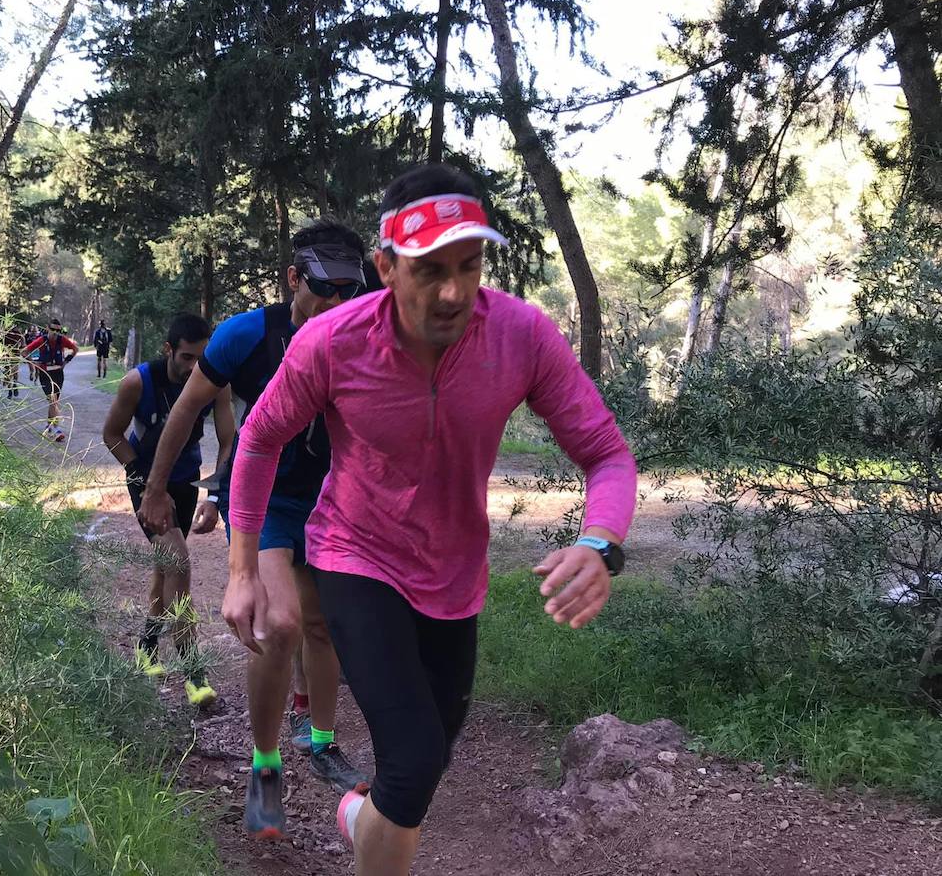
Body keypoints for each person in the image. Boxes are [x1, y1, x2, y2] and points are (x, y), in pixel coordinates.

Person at [224, 164, 637, 875]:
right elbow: (259, 438)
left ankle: (360, 811)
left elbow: (606, 454)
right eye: (429, 270)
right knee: (413, 761)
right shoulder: (331, 342)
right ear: (385, 267)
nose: (453, 292)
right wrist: (242, 570)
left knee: (426, 762)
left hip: (453, 575)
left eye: (469, 267)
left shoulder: (521, 335)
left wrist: (601, 541)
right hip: (355, 556)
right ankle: (346, 802)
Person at [138, 220, 372, 839]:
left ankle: (320, 740)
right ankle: (265, 766)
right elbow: (188, 406)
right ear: (293, 278)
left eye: (349, 292)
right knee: (283, 623)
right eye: (323, 290)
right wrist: (160, 487)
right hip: (263, 495)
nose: (335, 304)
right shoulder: (249, 334)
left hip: (330, 500)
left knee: (323, 625)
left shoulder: (360, 335)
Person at [102, 312, 235, 708]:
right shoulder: (137, 382)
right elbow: (112, 434)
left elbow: (228, 442)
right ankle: (193, 671)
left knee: (166, 567)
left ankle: (146, 647)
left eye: (202, 358)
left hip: (187, 480)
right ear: (169, 351)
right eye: (188, 358)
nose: (196, 367)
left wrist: (214, 497)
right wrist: (145, 482)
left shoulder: (217, 382)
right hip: (146, 482)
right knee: (178, 562)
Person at [23, 319, 79, 443]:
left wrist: (66, 362)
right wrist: (33, 364)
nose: (55, 332)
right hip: (45, 373)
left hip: (58, 373)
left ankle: (49, 428)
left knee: (54, 401)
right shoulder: (42, 340)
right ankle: (56, 429)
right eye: (53, 329)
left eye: (58, 330)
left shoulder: (62, 340)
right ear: (47, 328)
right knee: (53, 400)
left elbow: (75, 349)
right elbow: (25, 351)